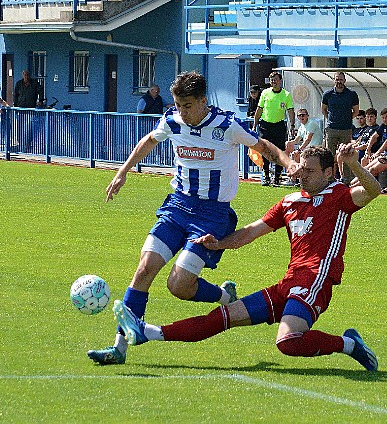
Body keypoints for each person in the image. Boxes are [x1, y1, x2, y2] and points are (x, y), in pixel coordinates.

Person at [86, 71, 298, 365]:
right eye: (178, 105)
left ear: (202, 101)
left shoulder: (226, 126)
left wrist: (289, 162)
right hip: (177, 206)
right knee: (145, 268)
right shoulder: (172, 120)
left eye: (187, 106)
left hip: (211, 214)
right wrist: (122, 172)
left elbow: (263, 147)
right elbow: (149, 140)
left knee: (179, 285)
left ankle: (225, 297)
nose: (181, 112)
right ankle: (119, 347)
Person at [111, 144, 381, 372]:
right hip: (287, 283)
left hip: (315, 281)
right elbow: (250, 232)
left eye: (310, 171)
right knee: (222, 317)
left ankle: (348, 344)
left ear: (328, 172)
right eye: (301, 169)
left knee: (287, 342)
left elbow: (373, 190)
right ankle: (147, 332)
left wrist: (354, 165)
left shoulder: (339, 197)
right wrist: (218, 244)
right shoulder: (289, 202)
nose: (303, 176)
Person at [253, 71, 295, 186]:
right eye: (272, 80)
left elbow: (290, 110)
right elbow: (259, 109)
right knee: (265, 150)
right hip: (265, 125)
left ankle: (277, 178)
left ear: (280, 81)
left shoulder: (286, 95)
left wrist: (292, 125)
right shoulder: (265, 93)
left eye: (276, 79)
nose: (274, 82)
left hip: (279, 125)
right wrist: (254, 124)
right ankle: (266, 176)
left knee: (280, 151)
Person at [321, 71, 359, 182]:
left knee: (346, 154)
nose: (339, 82)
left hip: (346, 129)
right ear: (334, 80)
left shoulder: (351, 94)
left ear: (345, 81)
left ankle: (347, 179)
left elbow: (356, 111)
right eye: (337, 79)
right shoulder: (327, 94)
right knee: (329, 156)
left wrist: (346, 119)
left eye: (341, 80)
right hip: (331, 129)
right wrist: (331, 119)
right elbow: (323, 110)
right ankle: (329, 178)